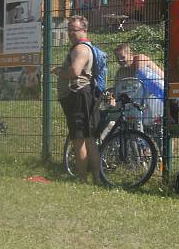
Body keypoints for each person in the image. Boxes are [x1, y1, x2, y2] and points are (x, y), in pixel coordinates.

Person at [51, 14, 101, 183]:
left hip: (78, 96)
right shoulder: (86, 47)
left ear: (84, 30)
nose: (71, 33)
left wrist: (58, 71)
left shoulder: (80, 49)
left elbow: (74, 72)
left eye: (75, 30)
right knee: (89, 138)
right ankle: (97, 178)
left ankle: (82, 179)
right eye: (69, 30)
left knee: (79, 139)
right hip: (84, 96)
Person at [113, 43, 165, 129]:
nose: (120, 61)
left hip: (159, 94)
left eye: (122, 57)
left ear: (130, 55)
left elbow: (139, 78)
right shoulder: (121, 71)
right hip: (142, 101)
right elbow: (117, 88)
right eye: (118, 58)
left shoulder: (140, 59)